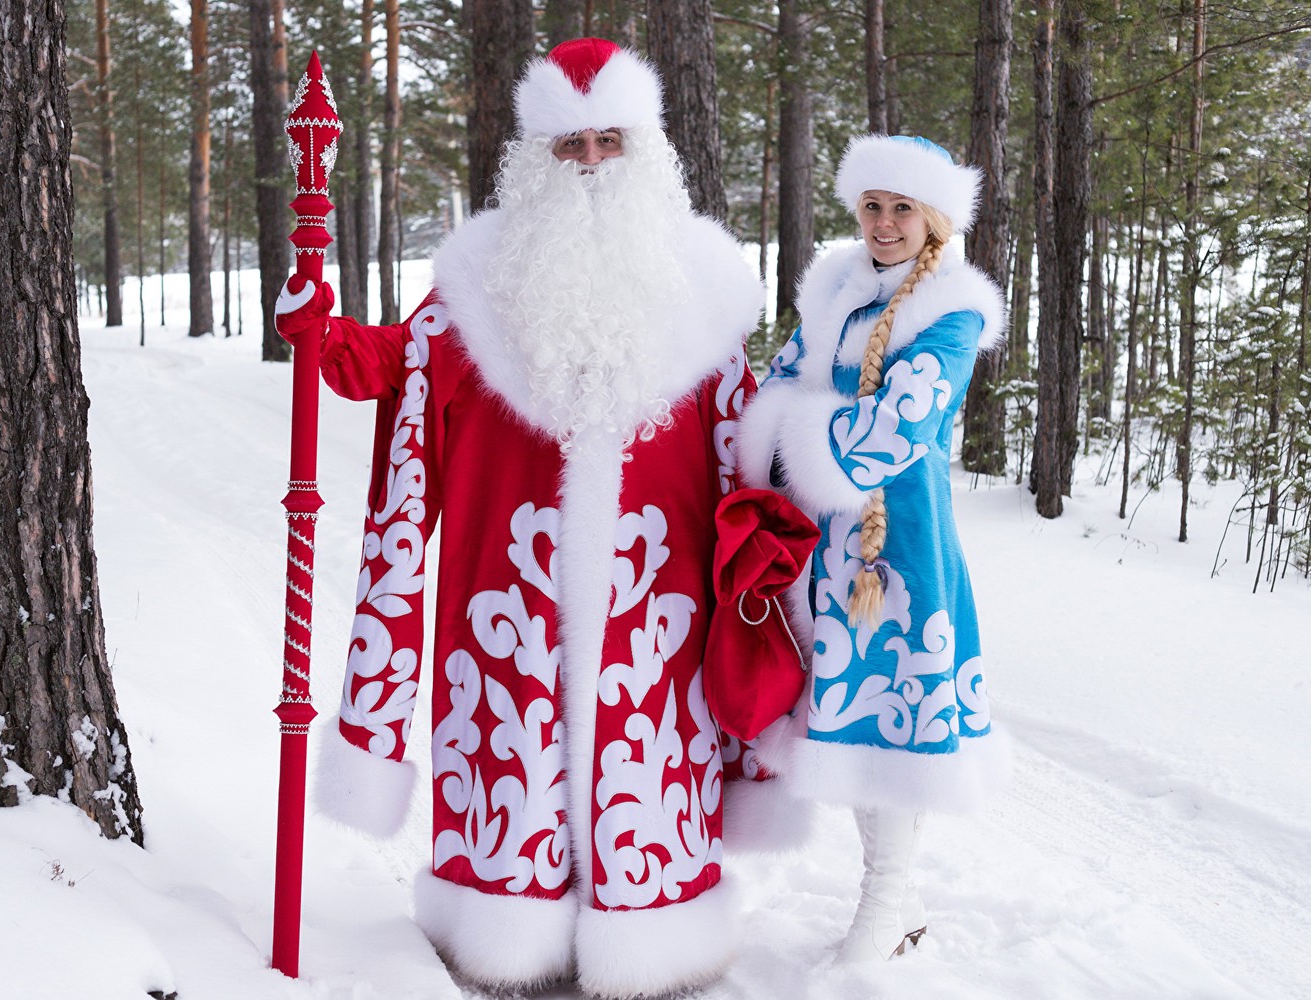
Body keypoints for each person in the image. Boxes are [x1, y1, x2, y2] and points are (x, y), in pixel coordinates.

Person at [275, 38, 767, 998]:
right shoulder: (479, 282)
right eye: (568, 145)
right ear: (535, 157)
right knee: (517, 761)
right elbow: (395, 364)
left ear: (643, 150)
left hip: (657, 604)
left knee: (646, 758)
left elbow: (751, 442)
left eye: (608, 143)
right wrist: (321, 332)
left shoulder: (706, 288)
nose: (587, 164)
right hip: (509, 606)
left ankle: (650, 931)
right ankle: (511, 929)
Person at [737, 134, 1010, 963]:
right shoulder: (833, 291)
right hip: (822, 548)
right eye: (872, 206)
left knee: (896, 719)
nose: (885, 224)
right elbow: (778, 380)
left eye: (902, 209)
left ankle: (885, 898)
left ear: (933, 219)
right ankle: (902, 894)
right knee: (844, 710)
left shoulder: (953, 312)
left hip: (900, 550)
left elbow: (898, 428)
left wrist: (798, 438)